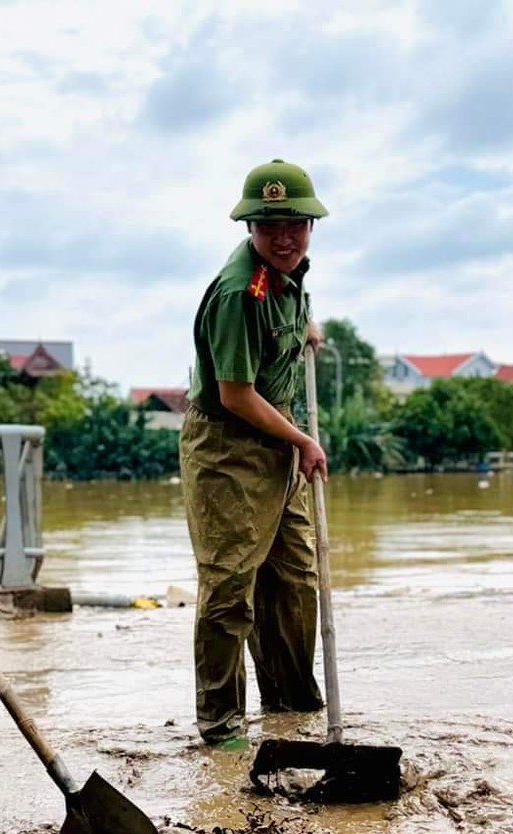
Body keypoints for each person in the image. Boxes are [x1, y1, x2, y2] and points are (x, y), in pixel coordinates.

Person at [181, 159, 330, 749]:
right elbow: (235, 395)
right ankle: (221, 727)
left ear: (310, 225)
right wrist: (301, 440)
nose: (284, 236)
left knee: (296, 577)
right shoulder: (239, 293)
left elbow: (283, 326)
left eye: (294, 222)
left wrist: (307, 324)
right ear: (250, 229)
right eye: (270, 226)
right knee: (229, 586)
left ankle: (291, 702)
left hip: (277, 444)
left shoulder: (286, 278)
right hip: (228, 450)